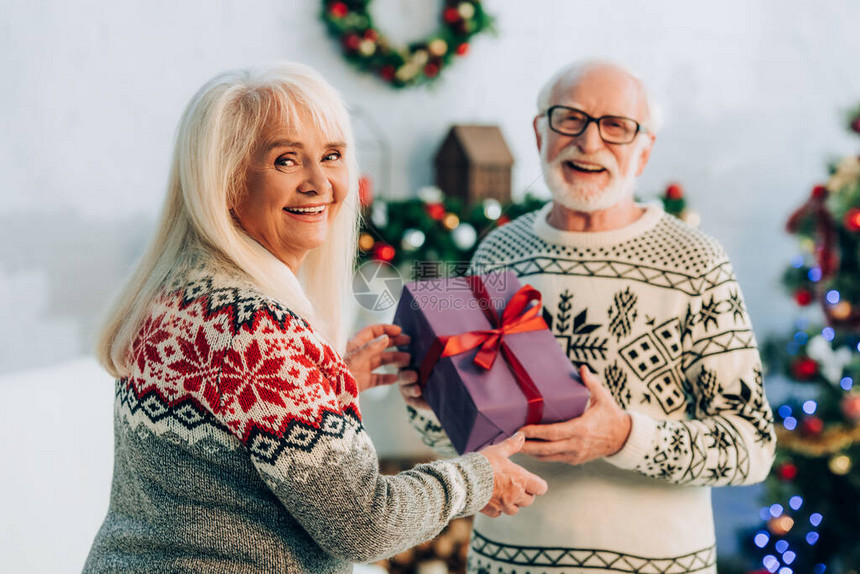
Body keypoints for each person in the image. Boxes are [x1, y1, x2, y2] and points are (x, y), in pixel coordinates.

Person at [83, 62, 548, 574]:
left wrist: (328, 383)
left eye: (332, 156)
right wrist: (477, 478)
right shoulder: (259, 329)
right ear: (227, 180)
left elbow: (220, 451)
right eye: (286, 160)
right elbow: (364, 524)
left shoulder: (177, 294)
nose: (320, 183)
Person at [400, 60, 776, 574]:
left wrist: (622, 436)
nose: (590, 142)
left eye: (616, 126)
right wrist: (427, 400)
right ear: (540, 132)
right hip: (507, 564)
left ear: (644, 150)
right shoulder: (498, 252)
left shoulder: (696, 263)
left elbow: (750, 446)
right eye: (570, 118)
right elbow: (467, 435)